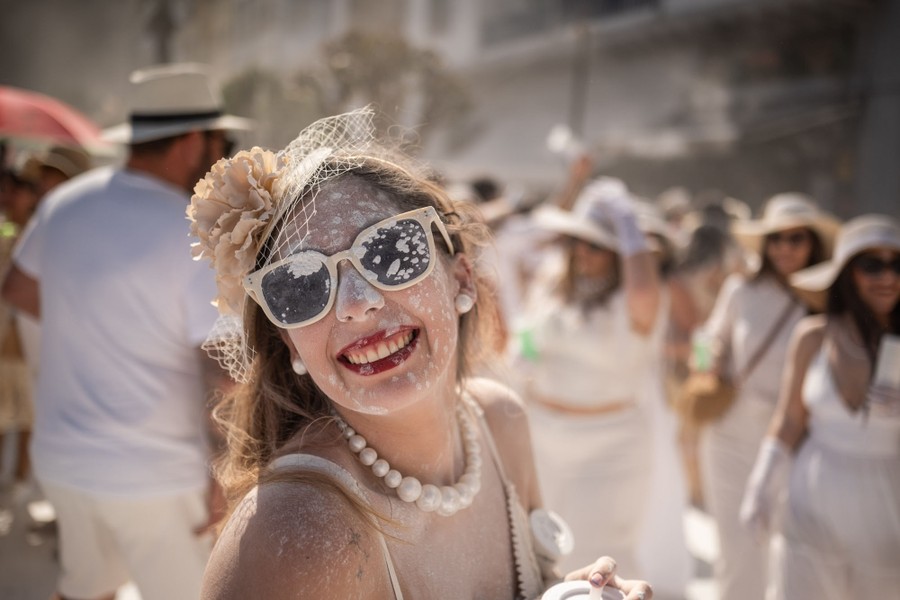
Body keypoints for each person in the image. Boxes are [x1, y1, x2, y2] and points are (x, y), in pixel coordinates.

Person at [190, 107, 654, 600]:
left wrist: (572, 592)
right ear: (288, 341)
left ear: (462, 278)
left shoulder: (500, 423)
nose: (356, 303)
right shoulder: (296, 536)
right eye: (301, 286)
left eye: (389, 251)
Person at [0, 62, 249, 600]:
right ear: (192, 142)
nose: (222, 158)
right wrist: (225, 473)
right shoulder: (192, 228)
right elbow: (224, 371)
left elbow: (16, 288)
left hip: (64, 460)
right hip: (155, 474)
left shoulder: (65, 203)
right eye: (221, 144)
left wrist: (92, 317)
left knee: (86, 590)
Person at [506, 177, 666, 580]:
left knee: (602, 555)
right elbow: (527, 331)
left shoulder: (631, 300)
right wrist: (524, 355)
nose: (582, 251)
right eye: (577, 240)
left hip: (610, 444)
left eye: (596, 244)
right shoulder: (554, 283)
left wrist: (628, 223)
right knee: (541, 550)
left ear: (618, 252)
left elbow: (643, 292)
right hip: (542, 437)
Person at [740, 214, 900, 599]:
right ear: (847, 273)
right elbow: (790, 419)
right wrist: (761, 484)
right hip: (811, 503)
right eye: (871, 264)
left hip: (886, 512)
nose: (887, 276)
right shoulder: (813, 336)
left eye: (897, 265)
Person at [694, 192, 839, 600]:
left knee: (789, 551)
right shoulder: (741, 290)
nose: (785, 248)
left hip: (798, 442)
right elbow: (709, 338)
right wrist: (709, 360)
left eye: (796, 238)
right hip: (730, 433)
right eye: (776, 238)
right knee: (735, 549)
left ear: (813, 243)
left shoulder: (830, 302)